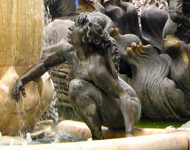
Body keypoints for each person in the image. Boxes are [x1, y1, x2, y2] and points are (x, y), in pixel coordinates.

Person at [12, 13, 141, 139]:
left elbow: (123, 95)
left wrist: (129, 135)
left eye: (76, 27)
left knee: (76, 86)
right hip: (113, 106)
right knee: (76, 86)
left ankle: (97, 137)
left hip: (129, 110)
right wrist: (22, 80)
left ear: (85, 37)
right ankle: (96, 136)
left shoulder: (96, 68)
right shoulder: (68, 51)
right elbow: (44, 65)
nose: (70, 28)